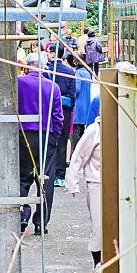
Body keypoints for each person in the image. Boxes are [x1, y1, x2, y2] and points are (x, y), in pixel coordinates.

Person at [18, 52, 63, 234]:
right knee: (45, 180)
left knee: (21, 178)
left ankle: (21, 215)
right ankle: (41, 222)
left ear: (28, 66)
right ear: (43, 66)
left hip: (23, 135)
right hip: (46, 135)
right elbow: (58, 116)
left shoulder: (19, 83)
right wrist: (55, 137)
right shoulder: (53, 87)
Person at [66, 117, 102, 273]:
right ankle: (98, 262)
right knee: (98, 224)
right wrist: (72, 183)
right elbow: (78, 156)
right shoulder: (94, 130)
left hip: (121, 183)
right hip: (97, 183)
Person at [46, 42, 77, 187]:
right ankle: (60, 175)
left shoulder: (46, 71)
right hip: (64, 109)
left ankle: (48, 174)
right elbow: (72, 95)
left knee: (49, 141)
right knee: (63, 141)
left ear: (53, 53)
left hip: (48, 109)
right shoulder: (70, 72)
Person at [71, 55, 92, 151]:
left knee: (76, 133)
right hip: (86, 106)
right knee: (82, 132)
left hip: (78, 107)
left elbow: (77, 89)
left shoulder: (78, 73)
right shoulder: (87, 73)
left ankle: (76, 153)